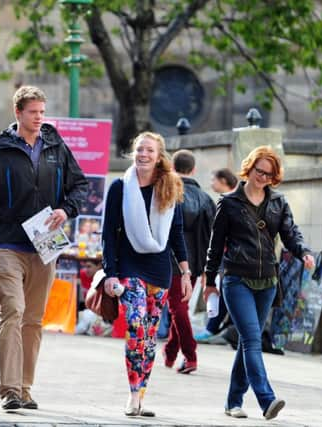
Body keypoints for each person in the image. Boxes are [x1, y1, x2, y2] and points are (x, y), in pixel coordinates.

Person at [0, 85, 88, 410]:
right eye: (33, 112)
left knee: (34, 320)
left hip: (45, 245)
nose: (39, 118)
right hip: (8, 243)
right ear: (18, 113)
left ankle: (25, 388)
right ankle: (9, 389)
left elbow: (79, 185)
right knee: (13, 312)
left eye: (42, 112)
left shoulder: (56, 146)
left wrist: (66, 209)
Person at [203, 146, 315, 420]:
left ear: (274, 177)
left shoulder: (278, 202)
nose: (262, 177)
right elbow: (215, 246)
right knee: (252, 339)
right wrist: (209, 281)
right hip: (236, 278)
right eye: (258, 171)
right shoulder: (229, 202)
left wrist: (304, 252)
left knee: (246, 342)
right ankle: (267, 400)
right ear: (249, 168)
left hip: (267, 282)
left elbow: (291, 234)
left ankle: (233, 402)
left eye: (268, 174)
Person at [102, 131, 191, 417]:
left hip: (160, 271)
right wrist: (110, 273)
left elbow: (176, 234)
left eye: (149, 150)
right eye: (139, 149)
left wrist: (186, 272)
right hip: (130, 269)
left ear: (159, 155)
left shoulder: (170, 186)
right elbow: (108, 234)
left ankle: (141, 395)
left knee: (150, 337)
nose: (143, 154)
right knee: (136, 327)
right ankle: (131, 395)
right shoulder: (120, 187)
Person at [163, 149, 215, 373]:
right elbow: (213, 235)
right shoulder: (206, 199)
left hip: (171, 258)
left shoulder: (168, 193)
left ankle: (190, 354)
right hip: (194, 262)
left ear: (173, 168)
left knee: (177, 307)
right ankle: (171, 352)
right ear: (193, 170)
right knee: (180, 306)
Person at [194, 167, 238, 342]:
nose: (211, 184)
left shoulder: (232, 201)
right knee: (223, 292)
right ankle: (216, 328)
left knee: (225, 292)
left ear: (224, 181)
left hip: (230, 257)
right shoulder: (223, 200)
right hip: (224, 256)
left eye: (214, 180)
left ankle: (214, 328)